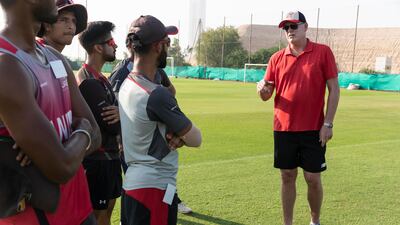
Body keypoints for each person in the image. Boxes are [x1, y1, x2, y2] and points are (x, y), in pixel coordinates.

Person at [0, 0, 102, 224]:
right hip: (37, 216)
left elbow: (97, 134)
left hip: (80, 208)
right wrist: (81, 130)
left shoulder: (56, 58)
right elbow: (62, 167)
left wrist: (55, 147)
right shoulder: (5, 65)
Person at [257, 11, 340, 225]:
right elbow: (267, 95)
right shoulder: (276, 58)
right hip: (283, 128)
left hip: (314, 128)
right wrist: (262, 90)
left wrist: (328, 124)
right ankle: (288, 223)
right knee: (287, 175)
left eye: (294, 26)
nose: (289, 31)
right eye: (286, 28)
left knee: (312, 178)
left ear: (305, 27)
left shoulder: (323, 52)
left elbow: (334, 89)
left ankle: (315, 220)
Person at [119, 15, 202, 225]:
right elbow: (196, 138)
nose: (169, 47)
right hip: (153, 189)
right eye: (167, 43)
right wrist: (179, 134)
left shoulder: (126, 83)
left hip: (133, 187)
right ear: (157, 47)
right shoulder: (156, 93)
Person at [76, 21, 122, 225]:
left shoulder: (100, 78)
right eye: (111, 42)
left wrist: (122, 114)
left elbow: (117, 118)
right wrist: (124, 116)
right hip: (97, 160)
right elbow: (111, 124)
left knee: (107, 213)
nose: (116, 46)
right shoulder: (87, 80)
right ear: (98, 47)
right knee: (97, 216)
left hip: (110, 158)